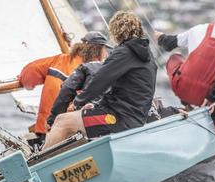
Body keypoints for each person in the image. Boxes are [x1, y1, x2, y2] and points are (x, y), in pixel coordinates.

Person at [42, 11, 157, 150]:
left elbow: (99, 82)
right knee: (74, 121)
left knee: (62, 122)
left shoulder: (124, 52)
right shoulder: (148, 57)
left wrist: (79, 102)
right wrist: (97, 106)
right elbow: (130, 93)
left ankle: (36, 166)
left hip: (119, 119)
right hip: (135, 118)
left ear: (116, 31)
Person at [154, 2, 215, 164]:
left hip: (181, 89)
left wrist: (159, 37)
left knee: (175, 57)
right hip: (206, 98)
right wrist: (211, 99)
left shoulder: (199, 29)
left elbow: (170, 44)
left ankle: (187, 105)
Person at [18, 33, 110, 146]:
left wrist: (24, 82)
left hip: (45, 128)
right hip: (73, 133)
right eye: (105, 49)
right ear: (98, 50)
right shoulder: (98, 71)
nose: (106, 54)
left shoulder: (59, 60)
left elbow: (29, 75)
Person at [46, 32, 110, 129]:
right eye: (105, 49)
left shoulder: (84, 68)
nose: (106, 53)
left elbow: (66, 91)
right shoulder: (114, 68)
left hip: (89, 118)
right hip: (113, 117)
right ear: (100, 50)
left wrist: (52, 120)